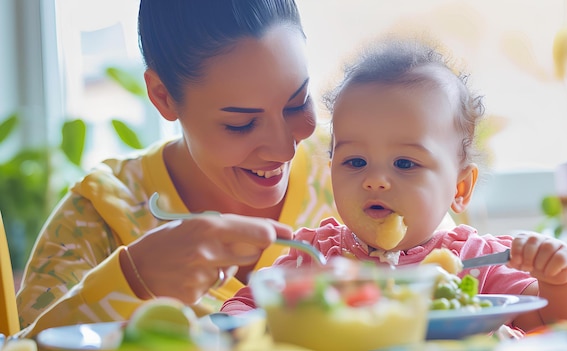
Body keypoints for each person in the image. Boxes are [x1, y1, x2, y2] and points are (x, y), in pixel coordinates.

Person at [14, 0, 339, 338]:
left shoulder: (359, 169)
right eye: (241, 124)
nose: (284, 148)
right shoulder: (99, 216)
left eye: (298, 103)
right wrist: (129, 282)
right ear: (163, 96)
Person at [220, 36, 567, 332]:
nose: (376, 180)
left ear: (459, 188)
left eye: (405, 163)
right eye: (355, 162)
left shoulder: (477, 263)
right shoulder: (313, 257)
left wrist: (560, 278)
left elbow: (553, 324)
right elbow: (242, 311)